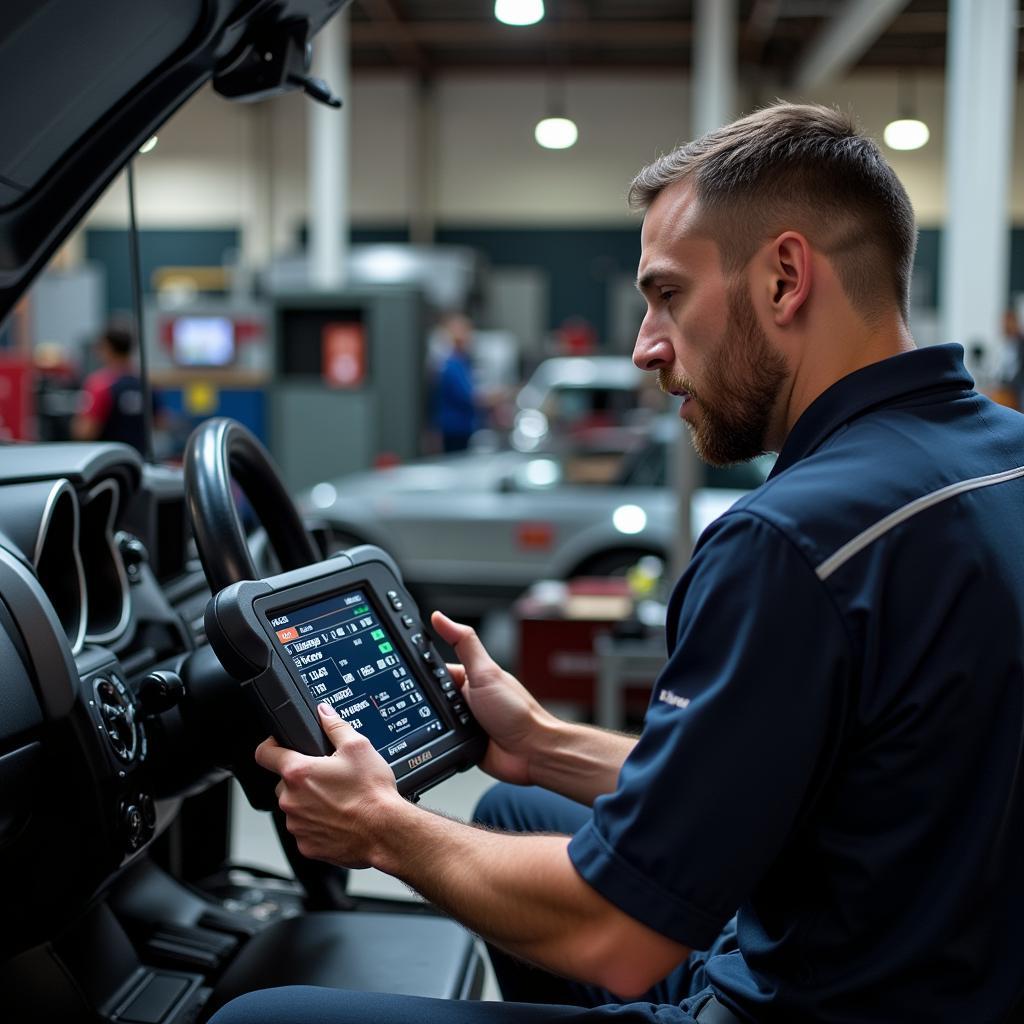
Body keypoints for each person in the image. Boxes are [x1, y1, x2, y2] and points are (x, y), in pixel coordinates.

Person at [210, 103, 1024, 1023]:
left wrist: (381, 827)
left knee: (256, 1019)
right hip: (941, 955)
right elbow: (797, 764)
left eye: (667, 294)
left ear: (785, 278)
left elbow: (620, 939)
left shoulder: (790, 543)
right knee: (515, 812)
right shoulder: (1004, 456)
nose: (646, 346)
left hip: (812, 1003)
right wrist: (541, 742)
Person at [72, 320, 149, 454]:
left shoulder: (99, 385)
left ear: (108, 348)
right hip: (138, 460)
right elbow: (161, 422)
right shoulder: (144, 383)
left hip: (108, 464)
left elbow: (85, 432)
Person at [430, 312, 480, 452]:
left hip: (463, 425)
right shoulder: (451, 364)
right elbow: (468, 396)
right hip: (454, 428)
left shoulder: (463, 362)